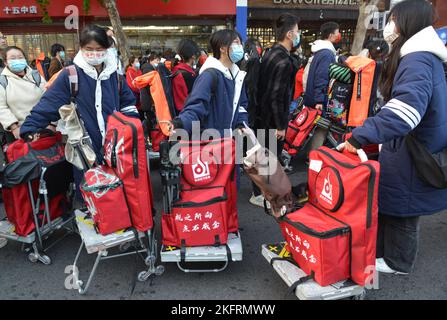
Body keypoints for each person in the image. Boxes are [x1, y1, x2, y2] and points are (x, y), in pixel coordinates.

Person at [344, 0, 447, 275]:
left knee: (404, 208)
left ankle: (398, 262)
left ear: (407, 23)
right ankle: (388, 255)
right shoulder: (420, 57)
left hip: (414, 151)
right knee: (396, 203)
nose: (389, 26)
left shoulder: (418, 59)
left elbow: (406, 111)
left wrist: (360, 135)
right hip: (410, 149)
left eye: (393, 20)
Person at [20, 24, 138, 190]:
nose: (94, 53)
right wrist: (29, 128)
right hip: (84, 149)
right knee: (88, 194)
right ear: (81, 48)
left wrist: (132, 128)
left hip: (115, 147)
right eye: (89, 48)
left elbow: (128, 104)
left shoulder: (115, 76)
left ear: (107, 49)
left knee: (117, 192)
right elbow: (49, 104)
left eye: (99, 49)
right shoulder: (71, 75)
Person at [251, 13, 300, 207]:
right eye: (297, 31)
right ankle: (264, 194)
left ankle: (261, 192)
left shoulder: (271, 53)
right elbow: (277, 96)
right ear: (289, 34)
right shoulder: (283, 61)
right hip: (272, 119)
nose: (298, 35)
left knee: (263, 157)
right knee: (269, 158)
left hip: (262, 115)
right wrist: (281, 125)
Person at [169, 29, 248, 139]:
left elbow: (241, 106)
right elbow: (196, 105)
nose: (240, 47)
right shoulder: (209, 75)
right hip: (210, 143)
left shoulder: (237, 76)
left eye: (240, 43)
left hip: (229, 143)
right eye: (236, 42)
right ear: (222, 48)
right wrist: (180, 123)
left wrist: (241, 124)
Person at [0, 46, 47, 141]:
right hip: (18, 131)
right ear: (5, 62)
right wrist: (14, 128)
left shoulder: (35, 76)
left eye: (20, 57)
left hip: (43, 127)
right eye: (13, 58)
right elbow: (1, 108)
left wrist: (51, 124)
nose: (17, 60)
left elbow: (48, 98)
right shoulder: (3, 81)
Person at [304, 22, 341, 114]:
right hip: (320, 101)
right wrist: (319, 100)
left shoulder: (320, 51)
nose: (339, 35)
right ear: (331, 35)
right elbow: (321, 76)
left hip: (314, 97)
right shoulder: (326, 54)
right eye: (337, 32)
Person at [172, 39, 200, 113]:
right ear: (193, 57)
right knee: (196, 125)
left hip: (181, 114)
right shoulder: (188, 75)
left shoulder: (176, 69)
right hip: (190, 115)